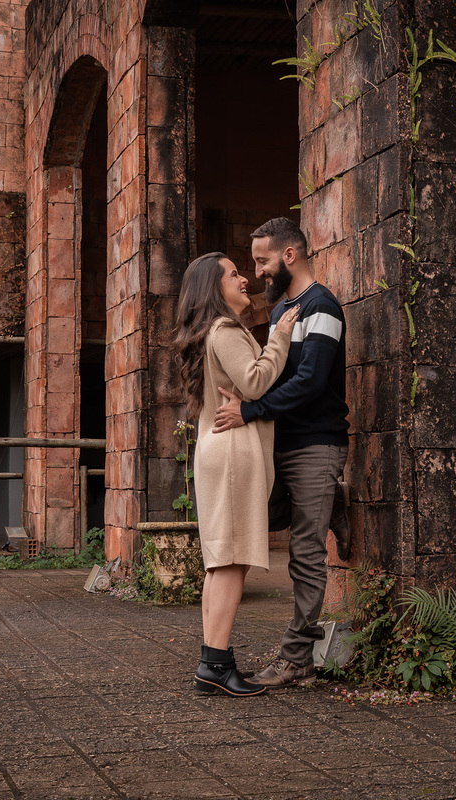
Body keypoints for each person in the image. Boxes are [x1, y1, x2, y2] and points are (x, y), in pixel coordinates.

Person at [212, 217, 351, 689]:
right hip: (278, 443)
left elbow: (311, 382)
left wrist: (251, 410)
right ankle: (335, 507)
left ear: (289, 255)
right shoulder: (278, 314)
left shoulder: (322, 307)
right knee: (267, 518)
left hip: (315, 441)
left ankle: (296, 659)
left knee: (304, 553)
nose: (258, 272)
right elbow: (267, 371)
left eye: (263, 261)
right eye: (252, 264)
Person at [173, 251, 300, 697]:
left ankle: (214, 663)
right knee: (230, 563)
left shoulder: (212, 332)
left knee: (221, 563)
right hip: (232, 456)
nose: (244, 279)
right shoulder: (225, 329)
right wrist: (279, 336)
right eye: (233, 274)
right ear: (214, 287)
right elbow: (253, 383)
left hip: (217, 452)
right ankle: (215, 664)